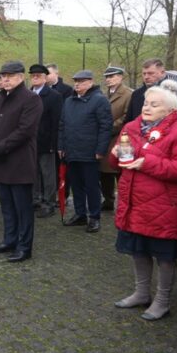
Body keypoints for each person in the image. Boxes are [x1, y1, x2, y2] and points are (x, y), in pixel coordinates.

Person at [110, 86, 177, 321]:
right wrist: (115, 154)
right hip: (133, 202)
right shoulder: (131, 127)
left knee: (164, 256)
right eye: (145, 103)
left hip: (164, 206)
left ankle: (162, 301)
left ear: (171, 109)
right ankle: (141, 293)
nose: (146, 107)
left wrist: (146, 163)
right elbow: (118, 163)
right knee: (137, 251)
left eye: (154, 104)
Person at [0, 61, 42, 262]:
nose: (5, 79)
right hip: (0, 162)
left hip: (19, 162)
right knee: (7, 207)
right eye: (2, 76)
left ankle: (24, 246)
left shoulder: (31, 99)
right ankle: (9, 240)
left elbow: (25, 131)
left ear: (20, 77)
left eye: (10, 76)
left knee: (22, 208)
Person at [59, 69, 113, 232]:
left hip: (90, 152)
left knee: (91, 186)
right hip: (71, 151)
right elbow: (62, 125)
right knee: (76, 185)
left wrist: (100, 149)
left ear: (90, 82)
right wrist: (61, 145)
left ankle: (94, 217)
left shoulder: (99, 101)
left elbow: (106, 127)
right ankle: (80, 214)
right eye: (75, 81)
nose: (77, 84)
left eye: (81, 81)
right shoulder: (69, 101)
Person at [28, 64, 63, 218]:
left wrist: (54, 144)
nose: (35, 78)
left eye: (38, 75)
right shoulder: (28, 94)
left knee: (48, 174)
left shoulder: (54, 96)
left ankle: (49, 203)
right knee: (32, 173)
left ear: (45, 77)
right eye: (33, 75)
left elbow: (57, 122)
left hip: (46, 141)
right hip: (29, 142)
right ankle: (35, 200)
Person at [99, 66, 132, 210]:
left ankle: (125, 202)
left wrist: (110, 126)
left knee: (121, 172)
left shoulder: (128, 94)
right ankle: (108, 200)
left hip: (121, 139)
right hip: (105, 139)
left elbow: (127, 116)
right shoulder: (104, 95)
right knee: (104, 172)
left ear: (120, 77)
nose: (108, 79)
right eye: (107, 77)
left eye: (112, 76)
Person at [124, 58, 167, 123]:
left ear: (162, 73)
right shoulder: (136, 94)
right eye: (144, 74)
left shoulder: (171, 94)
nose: (146, 77)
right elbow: (129, 120)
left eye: (151, 73)